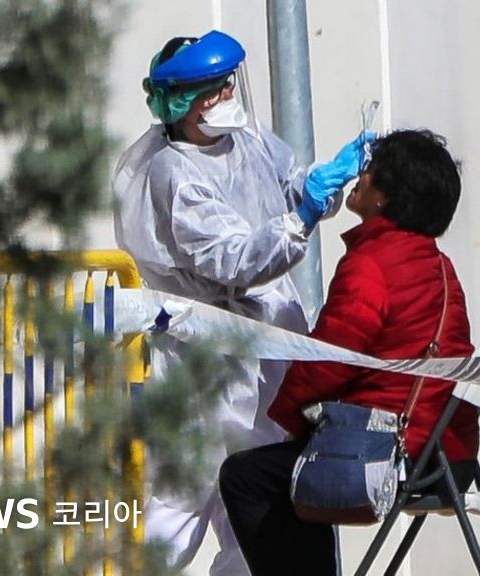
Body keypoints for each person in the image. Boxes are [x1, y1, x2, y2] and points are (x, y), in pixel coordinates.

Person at [111, 30, 370, 574]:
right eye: (211, 89)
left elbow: (283, 187)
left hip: (263, 353)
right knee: (182, 498)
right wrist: (301, 218)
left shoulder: (244, 137)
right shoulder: (173, 173)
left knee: (256, 508)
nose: (226, 95)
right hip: (206, 358)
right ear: (179, 103)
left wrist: (320, 184)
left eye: (228, 82)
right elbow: (235, 261)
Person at [218, 129, 479, 575]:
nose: (360, 176)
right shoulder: (439, 265)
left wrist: (287, 419)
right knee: (299, 469)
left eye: (370, 170)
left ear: (386, 197)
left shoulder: (372, 263)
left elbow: (330, 359)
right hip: (448, 453)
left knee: (246, 476)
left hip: (393, 453)